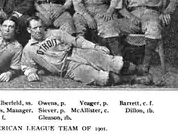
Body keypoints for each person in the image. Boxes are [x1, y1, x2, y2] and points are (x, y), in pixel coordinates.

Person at [21, 16, 150, 86]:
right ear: (28, 30)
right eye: (35, 28)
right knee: (99, 78)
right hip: (69, 68)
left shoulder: (55, 33)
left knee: (109, 61)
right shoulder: (29, 49)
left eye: (40, 27)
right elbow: (26, 66)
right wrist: (30, 73)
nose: (39, 30)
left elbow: (77, 41)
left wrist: (95, 47)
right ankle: (133, 79)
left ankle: (140, 70)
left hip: (78, 52)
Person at [119, 0, 178, 75]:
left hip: (151, 14)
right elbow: (119, 6)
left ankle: (145, 67)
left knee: (153, 27)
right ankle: (119, 65)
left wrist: (167, 11)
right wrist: (130, 17)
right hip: (132, 17)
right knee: (109, 26)